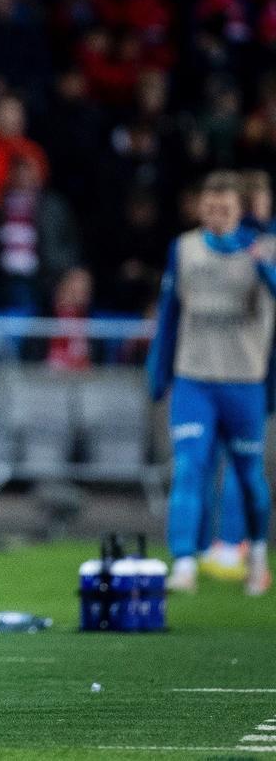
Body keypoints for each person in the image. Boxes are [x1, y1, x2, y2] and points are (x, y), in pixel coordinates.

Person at [147, 171, 273, 596]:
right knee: (188, 467)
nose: (216, 216)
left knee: (247, 474)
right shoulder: (183, 249)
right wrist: (157, 371)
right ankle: (183, 561)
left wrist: (262, 265)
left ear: (241, 211)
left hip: (244, 380)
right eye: (210, 207)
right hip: (193, 378)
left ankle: (255, 553)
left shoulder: (265, 250)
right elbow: (170, 311)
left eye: (225, 209)